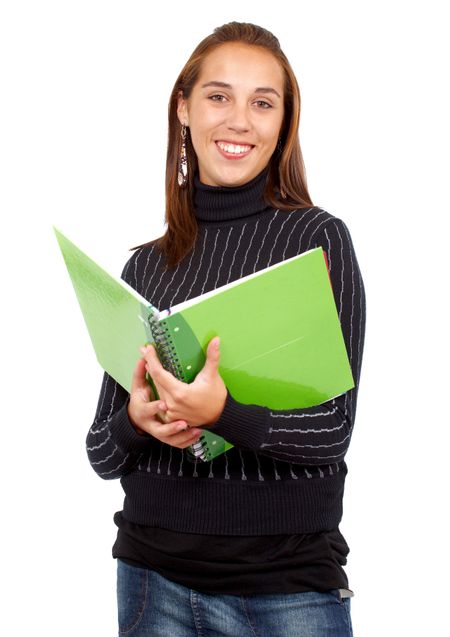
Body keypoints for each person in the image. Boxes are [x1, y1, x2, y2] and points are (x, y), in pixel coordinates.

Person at [86, 21, 366, 637]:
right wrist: (137, 422)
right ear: (183, 108)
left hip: (286, 589)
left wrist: (223, 414)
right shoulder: (146, 267)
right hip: (151, 579)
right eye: (218, 96)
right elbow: (100, 454)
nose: (239, 120)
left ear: (282, 123)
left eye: (262, 103)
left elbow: (333, 433)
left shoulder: (315, 242)